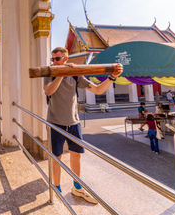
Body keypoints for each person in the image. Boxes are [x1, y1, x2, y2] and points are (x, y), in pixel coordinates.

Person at [44, 47, 123, 204]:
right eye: (53, 59)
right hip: (55, 122)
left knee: (76, 154)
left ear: (65, 59)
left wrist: (112, 77)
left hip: (73, 121)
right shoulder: (50, 73)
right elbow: (48, 91)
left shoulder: (75, 75)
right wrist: (61, 73)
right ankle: (57, 187)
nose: (54, 62)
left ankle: (77, 187)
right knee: (56, 157)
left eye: (57, 59)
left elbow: (98, 90)